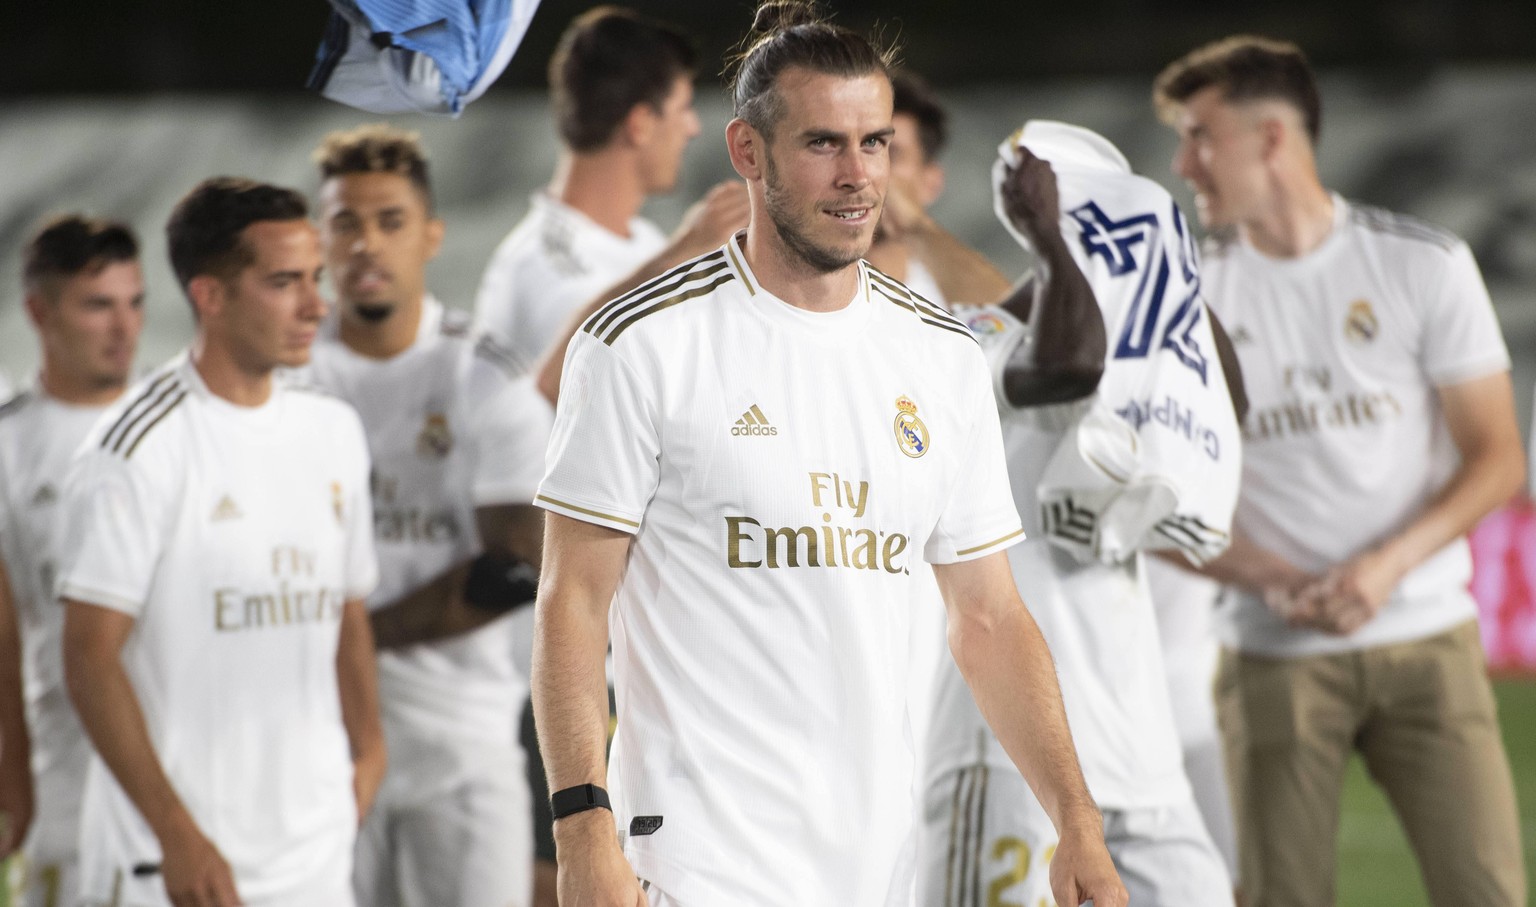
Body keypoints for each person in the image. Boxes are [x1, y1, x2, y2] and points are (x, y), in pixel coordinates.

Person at [531, 4, 1126, 906]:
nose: (857, 177)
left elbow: (990, 616)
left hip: (881, 867)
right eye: (822, 144)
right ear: (747, 150)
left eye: (875, 143)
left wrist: (1077, 818)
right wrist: (582, 829)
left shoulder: (941, 356)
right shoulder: (640, 344)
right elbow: (571, 600)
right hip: (695, 862)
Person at [1154, 35, 1527, 906]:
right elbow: (1155, 499)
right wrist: (1278, 581)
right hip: (1268, 650)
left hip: (1428, 637)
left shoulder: (1421, 263)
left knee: (1489, 892)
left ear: (1273, 137)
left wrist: (1384, 568)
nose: (1184, 163)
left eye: (1200, 136)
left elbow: (1499, 457)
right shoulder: (1184, 295)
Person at [922, 120, 1243, 907]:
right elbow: (1066, 365)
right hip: (1006, 750)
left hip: (1137, 748)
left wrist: (1171, 277)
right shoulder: (975, 336)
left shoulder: (1142, 370)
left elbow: (1232, 402)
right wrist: (1051, 237)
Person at [57, 178, 385, 907]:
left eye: (315, 278)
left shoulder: (333, 430)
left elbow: (348, 609)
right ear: (210, 295)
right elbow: (87, 655)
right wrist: (177, 833)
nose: (316, 304)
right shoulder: (135, 449)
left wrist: (367, 750)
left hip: (314, 856)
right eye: (283, 282)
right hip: (175, 868)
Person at [303, 124, 552, 907]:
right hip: (314, 741)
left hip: (461, 744)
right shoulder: (284, 376)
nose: (366, 244)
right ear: (321, 238)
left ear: (431, 236)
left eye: (390, 221)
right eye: (345, 222)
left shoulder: (484, 375)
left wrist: (355, 635)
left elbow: (515, 567)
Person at [474, 5, 748, 374]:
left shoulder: (642, 239)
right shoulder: (543, 264)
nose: (693, 127)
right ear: (640, 125)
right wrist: (687, 254)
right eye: (683, 108)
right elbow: (576, 379)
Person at [0, 215, 144, 907]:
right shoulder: (9, 443)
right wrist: (14, 776)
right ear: (38, 310)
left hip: (188, 771)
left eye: (134, 301)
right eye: (98, 304)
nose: (124, 327)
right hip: (63, 775)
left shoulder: (173, 425)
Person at [863, 69, 1011, 307]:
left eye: (891, 153)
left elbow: (1013, 319)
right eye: (867, 147)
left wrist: (912, 226)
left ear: (931, 183)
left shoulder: (948, 295)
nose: (865, 171)